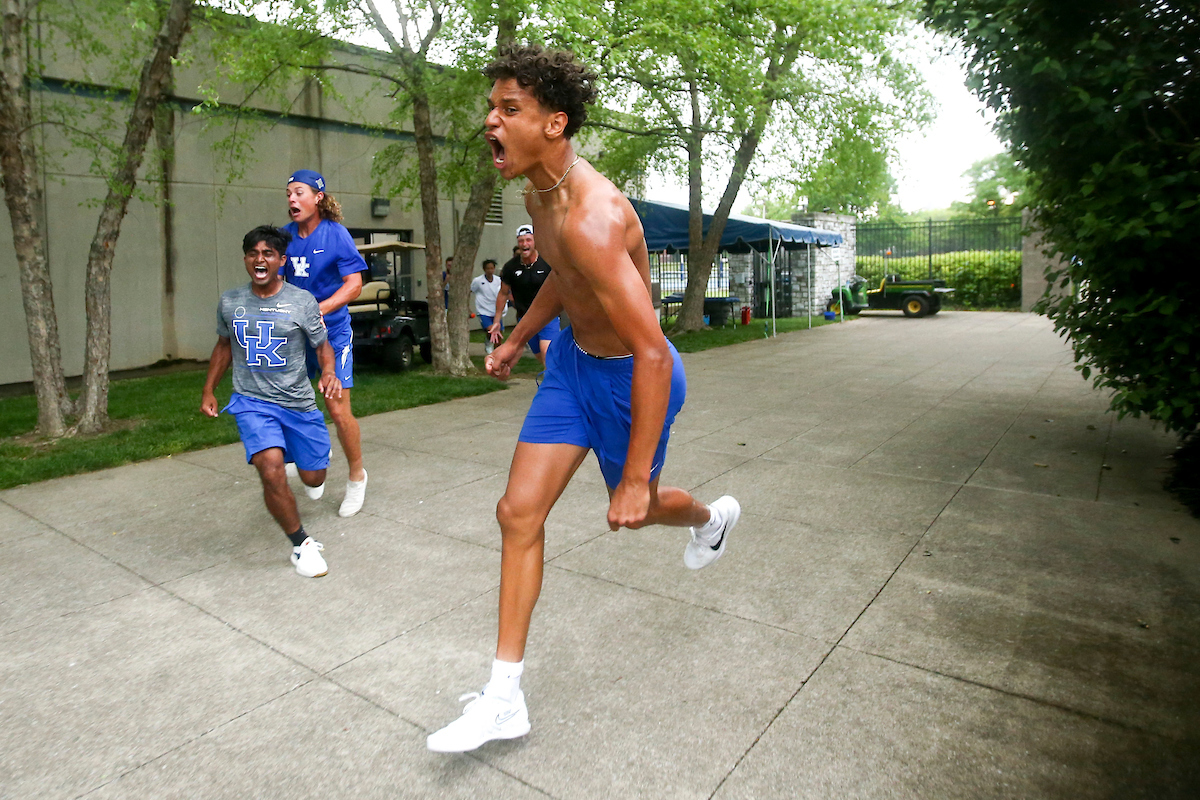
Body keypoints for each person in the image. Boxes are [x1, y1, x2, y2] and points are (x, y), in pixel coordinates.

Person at [426, 44, 741, 754]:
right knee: (517, 513)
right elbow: (564, 280)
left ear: (555, 123)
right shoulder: (538, 193)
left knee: (638, 509)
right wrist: (517, 338)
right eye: (492, 107)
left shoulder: (596, 216)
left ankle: (710, 518)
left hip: (633, 377)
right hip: (571, 366)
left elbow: (653, 349)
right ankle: (504, 698)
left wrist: (632, 480)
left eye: (509, 109)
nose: (491, 121)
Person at [201, 225, 341, 578]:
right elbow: (223, 346)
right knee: (270, 469)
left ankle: (299, 456)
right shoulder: (230, 302)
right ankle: (301, 545)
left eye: (267, 253)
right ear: (245, 259)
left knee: (313, 479)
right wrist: (208, 390)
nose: (259, 259)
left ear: (281, 260)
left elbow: (322, 346)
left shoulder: (302, 302)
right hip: (252, 401)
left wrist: (329, 372)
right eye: (253, 253)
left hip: (297, 403)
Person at [282, 169, 369, 517]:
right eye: (288, 193)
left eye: (299, 192)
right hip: (296, 335)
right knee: (290, 400)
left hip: (332, 334)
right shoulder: (283, 237)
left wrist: (319, 308)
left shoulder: (336, 234)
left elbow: (354, 285)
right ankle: (313, 452)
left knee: (336, 408)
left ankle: (357, 477)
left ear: (317, 198)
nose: (292, 199)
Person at [489, 224, 556, 366]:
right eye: (521, 241)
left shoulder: (547, 262)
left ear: (535, 241)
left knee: (547, 352)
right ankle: (557, 376)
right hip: (525, 318)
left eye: (528, 240)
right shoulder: (510, 267)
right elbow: (503, 293)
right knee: (540, 356)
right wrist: (496, 321)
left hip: (547, 316)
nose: (525, 244)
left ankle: (553, 380)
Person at [471, 258, 504, 354]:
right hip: (483, 311)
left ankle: (497, 353)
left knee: (499, 334)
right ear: (484, 269)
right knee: (492, 330)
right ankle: (489, 343)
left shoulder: (498, 280)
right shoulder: (478, 281)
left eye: (492, 268)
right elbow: (470, 291)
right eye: (488, 268)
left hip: (496, 311)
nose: (490, 270)